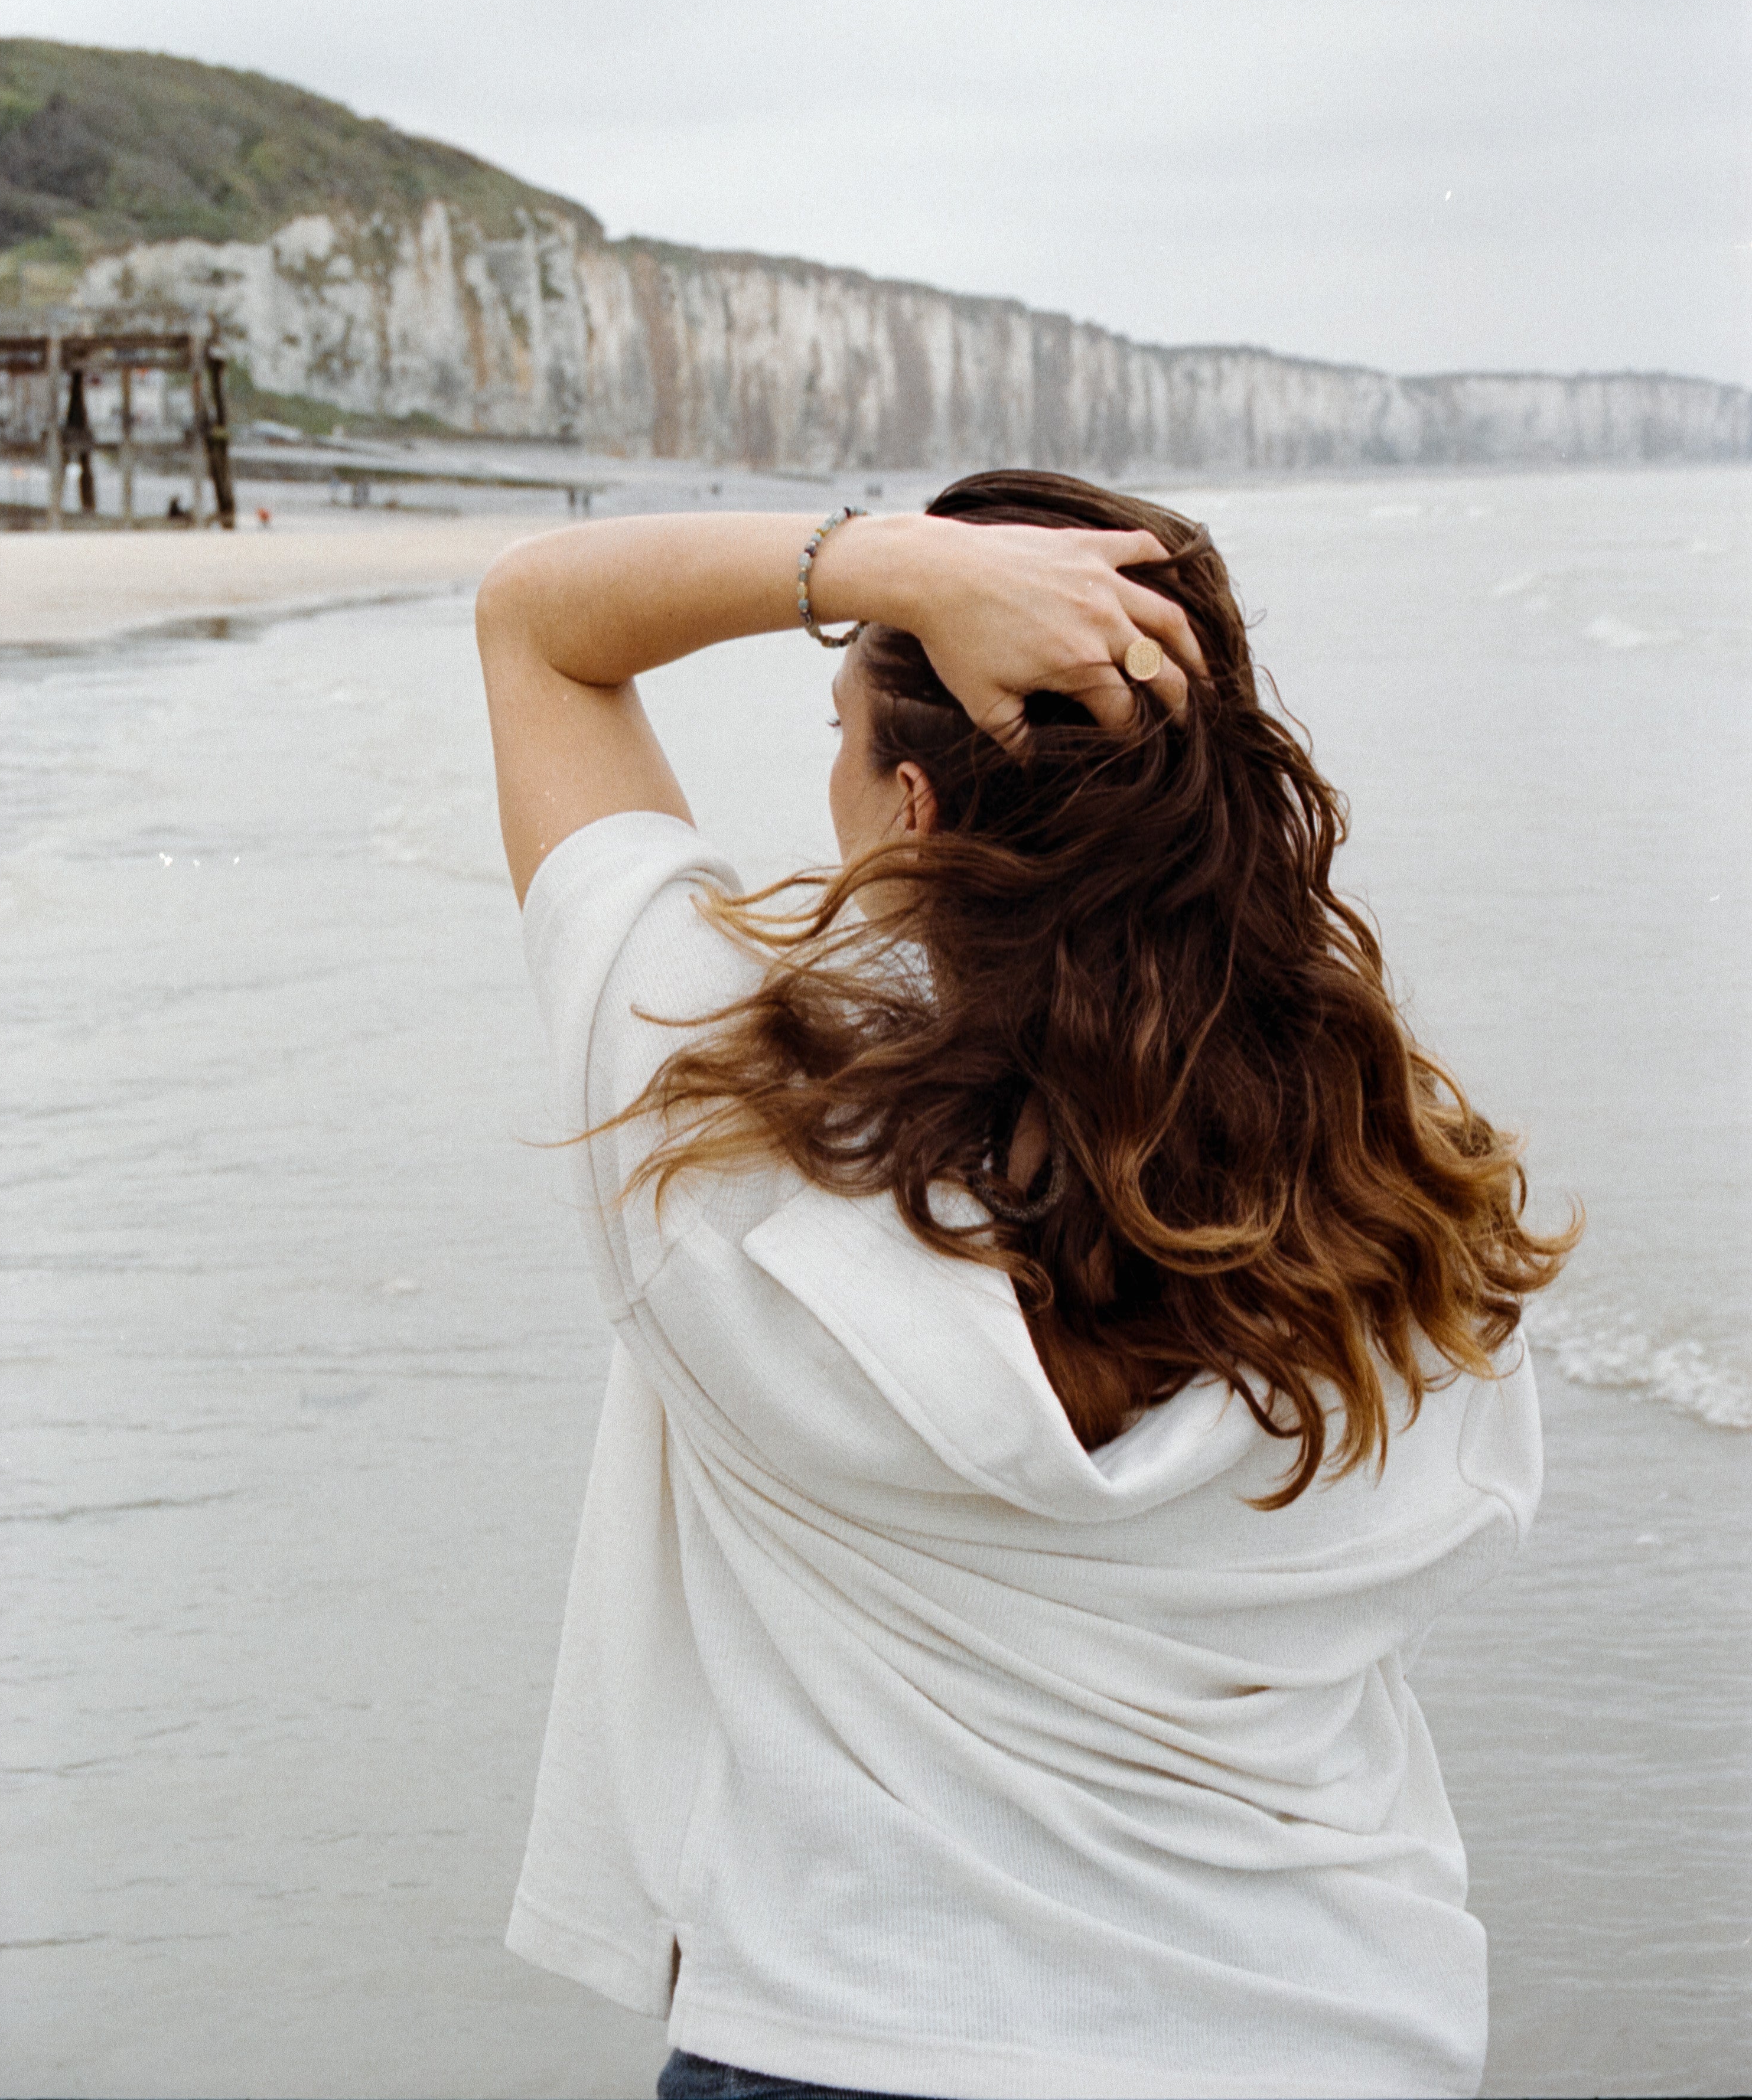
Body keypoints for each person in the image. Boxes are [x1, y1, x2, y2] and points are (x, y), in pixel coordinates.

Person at [475, 471, 1575, 2100]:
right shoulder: (1387, 1194)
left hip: (855, 2029)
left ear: (910, 805)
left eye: (839, 731)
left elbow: (539, 625)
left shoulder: (720, 1120)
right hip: (1330, 2032)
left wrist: (876, 560)